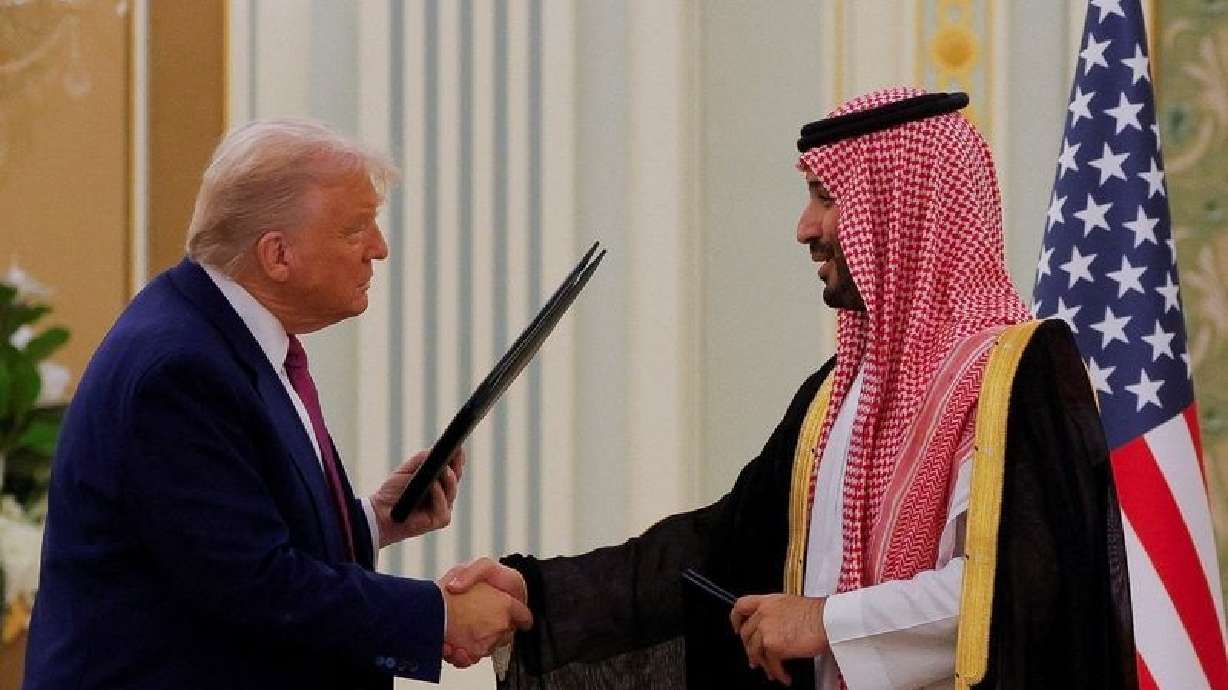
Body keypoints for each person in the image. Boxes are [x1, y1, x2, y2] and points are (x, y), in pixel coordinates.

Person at [445, 87, 1137, 689]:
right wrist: (539, 593)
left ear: (901, 209)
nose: (804, 228)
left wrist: (826, 621)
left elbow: (1020, 590)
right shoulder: (838, 396)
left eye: (825, 197)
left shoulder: (1018, 376)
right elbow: (717, 546)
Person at [22, 119, 531, 690]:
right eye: (356, 229)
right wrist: (437, 615)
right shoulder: (181, 371)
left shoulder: (224, 336)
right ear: (277, 254)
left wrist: (371, 523)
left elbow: (230, 539)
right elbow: (252, 584)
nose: (379, 250)